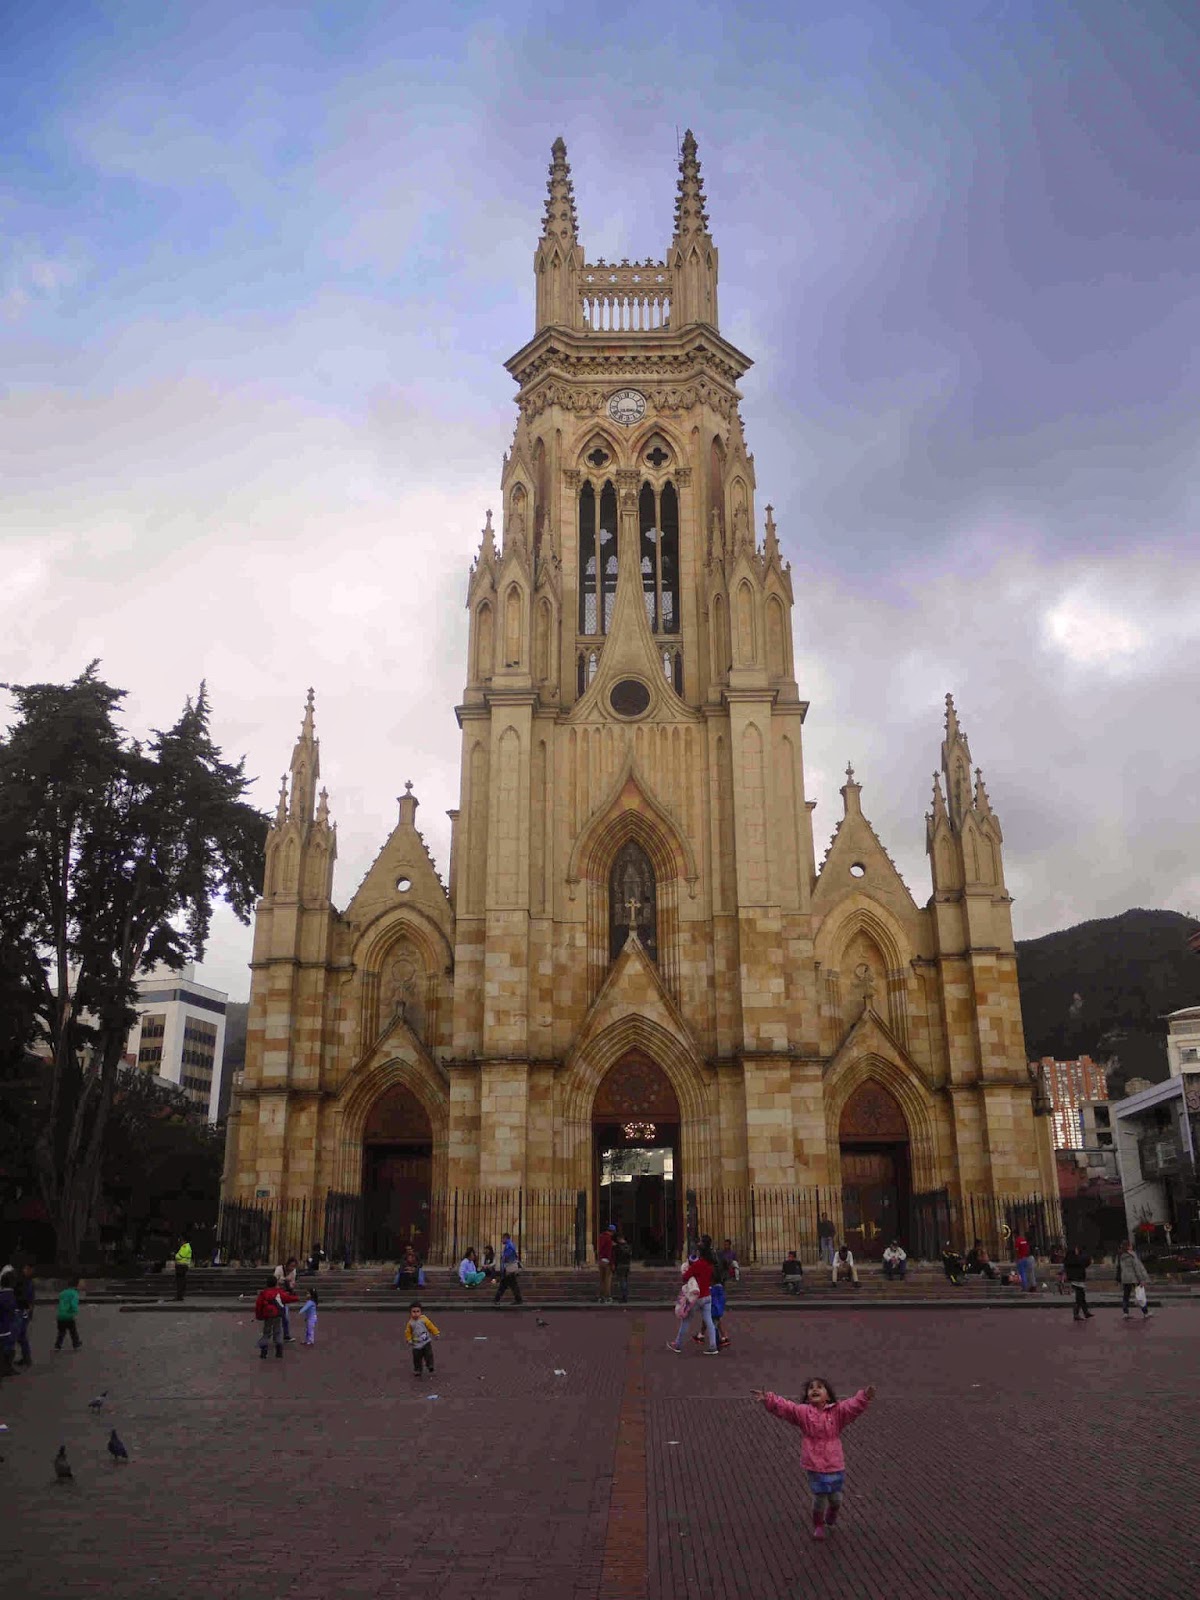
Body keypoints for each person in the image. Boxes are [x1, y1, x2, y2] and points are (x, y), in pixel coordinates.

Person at [752, 1377, 876, 1540]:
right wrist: (768, 1398)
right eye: (811, 1388)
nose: (815, 1389)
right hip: (814, 1463)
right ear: (808, 1396)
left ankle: (833, 1511)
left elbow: (852, 1406)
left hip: (834, 1463)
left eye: (819, 1387)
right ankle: (818, 1525)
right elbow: (786, 1408)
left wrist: (864, 1396)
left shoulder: (837, 1412)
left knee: (836, 1498)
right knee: (819, 1497)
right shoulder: (803, 1412)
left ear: (828, 1396)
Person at [668, 1237, 717, 1354]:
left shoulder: (698, 1264)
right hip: (707, 1295)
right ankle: (713, 1345)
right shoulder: (710, 1264)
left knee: (686, 1321)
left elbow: (685, 1277)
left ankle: (678, 1344)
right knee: (709, 1321)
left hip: (696, 1297)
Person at [254, 1275, 296, 1359]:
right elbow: (288, 1298)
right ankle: (279, 1352)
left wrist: (259, 1316)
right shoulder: (279, 1292)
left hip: (267, 1315)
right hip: (277, 1314)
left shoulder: (263, 1293)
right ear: (276, 1283)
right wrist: (295, 1296)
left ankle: (264, 1352)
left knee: (266, 1333)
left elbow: (258, 1305)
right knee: (278, 1332)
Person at [1116, 1240, 1152, 1319]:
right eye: (1131, 1245)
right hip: (1133, 1278)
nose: (1132, 1246)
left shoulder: (1120, 1255)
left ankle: (1125, 1313)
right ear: (1128, 1246)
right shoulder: (1132, 1255)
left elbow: (1118, 1268)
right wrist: (1141, 1279)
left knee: (1126, 1296)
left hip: (1125, 1278)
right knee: (1140, 1295)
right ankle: (1145, 1312)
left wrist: (1119, 1279)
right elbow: (1136, 1268)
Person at [405, 1302, 440, 1376]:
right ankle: (418, 1370)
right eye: (414, 1312)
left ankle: (430, 1365)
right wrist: (409, 1339)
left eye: (418, 1311)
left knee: (429, 1354)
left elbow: (431, 1326)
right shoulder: (410, 1323)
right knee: (417, 1358)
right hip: (416, 1343)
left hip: (426, 1341)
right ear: (410, 1313)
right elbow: (408, 1332)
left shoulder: (424, 1319)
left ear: (421, 1312)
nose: (416, 1313)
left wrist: (436, 1333)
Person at [1063, 1245, 1093, 1322]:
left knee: (1081, 1296)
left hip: (1075, 1279)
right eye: (1076, 1249)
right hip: (1078, 1280)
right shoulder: (1076, 1259)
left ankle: (1085, 1312)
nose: (1077, 1251)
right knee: (1079, 1297)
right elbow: (1086, 1262)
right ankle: (1076, 1314)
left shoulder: (1069, 1259)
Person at [13, 1263, 35, 1368]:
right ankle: (26, 1358)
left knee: (20, 1335)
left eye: (27, 1269)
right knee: (21, 1336)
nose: (25, 1270)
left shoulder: (27, 1282)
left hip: (23, 1311)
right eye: (24, 1268)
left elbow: (27, 1298)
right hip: (24, 1310)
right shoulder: (25, 1281)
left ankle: (26, 1359)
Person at [55, 1275, 83, 1351]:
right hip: (69, 1315)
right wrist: (75, 1312)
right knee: (73, 1331)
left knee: (61, 1332)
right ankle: (76, 1344)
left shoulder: (62, 1293)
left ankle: (57, 1345)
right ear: (76, 1285)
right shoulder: (74, 1293)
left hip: (60, 1315)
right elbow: (73, 1304)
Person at [493, 1233, 523, 1304]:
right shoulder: (510, 1245)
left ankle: (497, 1299)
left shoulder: (509, 1246)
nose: (502, 1240)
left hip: (509, 1268)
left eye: (503, 1238)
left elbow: (507, 1257)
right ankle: (518, 1299)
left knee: (507, 1285)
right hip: (509, 1268)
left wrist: (503, 1258)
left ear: (506, 1238)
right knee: (509, 1284)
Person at [274, 1258, 300, 1340]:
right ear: (287, 1265)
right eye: (291, 1266)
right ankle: (275, 1335)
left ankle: (286, 1334)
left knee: (286, 1316)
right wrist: (284, 1280)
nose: (292, 1268)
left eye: (294, 1266)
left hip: (285, 1295)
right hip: (277, 1295)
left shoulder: (293, 1271)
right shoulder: (279, 1269)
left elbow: (292, 1282)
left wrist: (290, 1285)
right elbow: (274, 1281)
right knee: (276, 1317)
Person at [0, 1266, 18, 1377]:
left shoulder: (3, 1295)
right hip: (6, 1328)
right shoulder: (10, 1296)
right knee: (7, 1348)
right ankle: (6, 1368)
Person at [597, 1222, 616, 1302]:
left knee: (602, 1280)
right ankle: (607, 1297)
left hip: (601, 1260)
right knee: (607, 1280)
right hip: (607, 1261)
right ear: (612, 1231)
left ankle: (601, 1297)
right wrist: (612, 1263)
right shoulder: (609, 1239)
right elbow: (609, 1253)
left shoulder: (601, 1237)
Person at [613, 1229, 633, 1304]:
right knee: (625, 1280)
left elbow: (616, 1257)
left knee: (622, 1281)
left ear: (619, 1239)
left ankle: (624, 1297)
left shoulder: (618, 1247)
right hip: (627, 1265)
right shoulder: (628, 1246)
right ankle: (625, 1295)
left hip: (620, 1265)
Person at [173, 1236, 192, 1301]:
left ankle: (179, 1296)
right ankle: (179, 1295)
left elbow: (180, 1256)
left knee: (180, 1282)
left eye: (180, 1241)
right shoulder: (186, 1247)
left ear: (183, 1241)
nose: (180, 1243)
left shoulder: (185, 1247)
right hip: (182, 1266)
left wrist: (175, 1255)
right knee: (181, 1281)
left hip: (181, 1266)